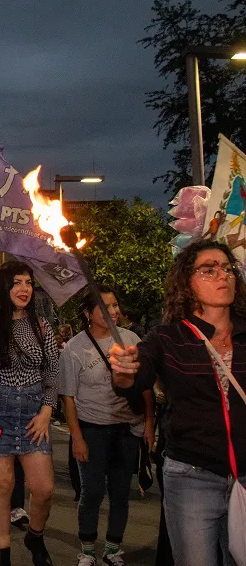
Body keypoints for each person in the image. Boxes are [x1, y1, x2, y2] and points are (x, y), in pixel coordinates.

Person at [109, 240, 246, 566]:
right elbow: (134, 380)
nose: (222, 276)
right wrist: (124, 372)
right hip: (193, 476)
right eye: (208, 270)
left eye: (226, 268)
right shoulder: (167, 338)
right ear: (186, 282)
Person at [0, 261, 59, 566]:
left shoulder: (42, 326)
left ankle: (35, 534)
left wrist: (47, 411)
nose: (24, 289)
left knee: (43, 488)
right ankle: (2, 553)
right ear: (4, 288)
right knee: (1, 487)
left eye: (28, 283)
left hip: (34, 414)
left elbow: (53, 371)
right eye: (16, 283)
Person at [59, 285, 154, 566]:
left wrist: (148, 424)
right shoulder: (74, 348)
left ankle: (113, 548)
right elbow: (68, 398)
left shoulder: (131, 340)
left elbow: (146, 388)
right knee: (92, 492)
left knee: (121, 492)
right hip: (92, 429)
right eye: (105, 307)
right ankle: (87, 549)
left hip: (127, 429)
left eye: (115, 305)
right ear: (88, 313)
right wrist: (77, 438)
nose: (113, 311)